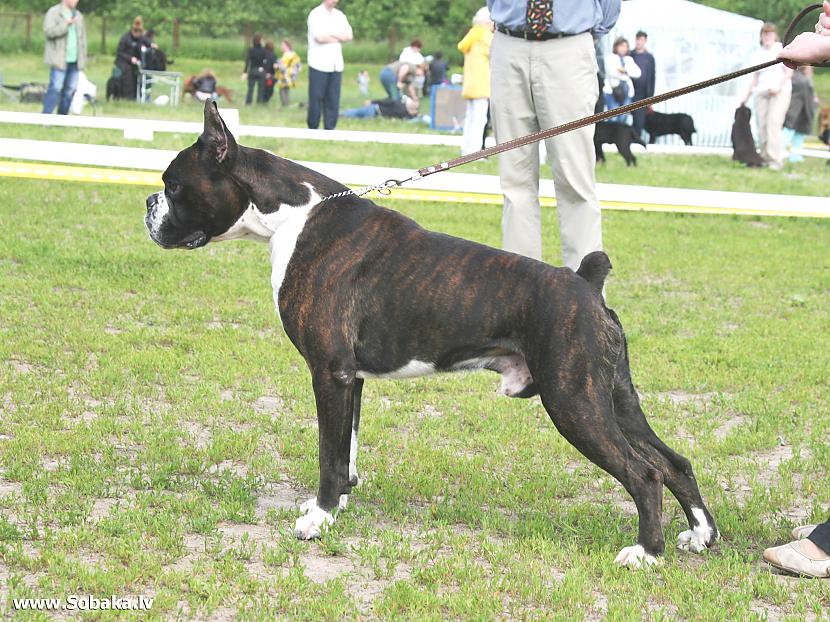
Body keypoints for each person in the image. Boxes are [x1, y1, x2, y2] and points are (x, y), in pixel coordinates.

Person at [488, 0, 621, 269]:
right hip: (508, 43)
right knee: (514, 183)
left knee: (575, 181)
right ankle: (520, 295)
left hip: (569, 46)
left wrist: (585, 36)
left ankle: (586, 299)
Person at [741, 23, 794, 171]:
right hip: (761, 91)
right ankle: (763, 157)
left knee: (773, 123)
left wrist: (778, 85)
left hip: (780, 91)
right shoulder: (758, 53)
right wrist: (745, 96)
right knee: (761, 125)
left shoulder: (780, 49)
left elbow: (789, 72)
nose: (767, 36)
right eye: (765, 34)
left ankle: (775, 160)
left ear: (774, 35)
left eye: (770, 34)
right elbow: (755, 78)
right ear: (761, 36)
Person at [306, 0, 353, 130]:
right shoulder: (315, 14)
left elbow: (349, 35)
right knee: (316, 98)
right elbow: (319, 38)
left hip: (336, 64)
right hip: (318, 63)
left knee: (333, 98)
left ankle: (330, 127)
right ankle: (313, 127)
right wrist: (338, 36)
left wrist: (331, 35)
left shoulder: (339, 15)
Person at [458, 7, 494, 156]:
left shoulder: (471, 35)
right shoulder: (485, 36)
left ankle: (465, 149)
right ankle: (474, 152)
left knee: (470, 119)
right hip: (482, 85)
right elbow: (497, 52)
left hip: (470, 85)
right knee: (479, 121)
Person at [42, 0, 86, 115]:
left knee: (70, 91)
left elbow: (82, 39)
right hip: (59, 59)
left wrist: (83, 58)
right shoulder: (54, 12)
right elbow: (49, 32)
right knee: (55, 89)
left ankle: (62, 119)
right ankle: (45, 117)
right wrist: (66, 24)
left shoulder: (79, 15)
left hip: (75, 60)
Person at [782, 66, 819, 163]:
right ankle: (782, 153)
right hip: (796, 112)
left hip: (799, 112)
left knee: (798, 134)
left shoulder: (799, 78)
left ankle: (795, 156)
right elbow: (808, 99)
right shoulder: (802, 80)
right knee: (788, 132)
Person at [603, 36, 641, 124]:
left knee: (623, 118)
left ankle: (620, 137)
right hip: (612, 92)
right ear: (616, 47)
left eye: (625, 46)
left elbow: (638, 73)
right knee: (613, 118)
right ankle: (611, 138)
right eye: (621, 46)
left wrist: (625, 71)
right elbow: (611, 72)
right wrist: (626, 74)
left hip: (627, 92)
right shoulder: (610, 57)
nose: (623, 48)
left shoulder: (629, 59)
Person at [630, 30, 656, 137]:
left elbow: (652, 77)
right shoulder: (630, 54)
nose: (639, 42)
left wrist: (650, 97)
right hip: (630, 90)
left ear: (645, 41)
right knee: (625, 116)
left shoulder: (649, 57)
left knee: (639, 118)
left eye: (641, 40)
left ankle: (637, 139)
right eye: (637, 39)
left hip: (643, 93)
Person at [114, 16, 145, 101]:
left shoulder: (140, 39)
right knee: (128, 74)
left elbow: (146, 42)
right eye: (136, 31)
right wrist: (130, 58)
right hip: (122, 62)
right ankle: (128, 97)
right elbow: (119, 52)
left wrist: (151, 44)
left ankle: (137, 95)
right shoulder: (125, 38)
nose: (137, 34)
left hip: (134, 64)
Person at [242, 34, 270, 105]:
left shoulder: (251, 50)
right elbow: (266, 62)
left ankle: (248, 102)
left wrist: (245, 72)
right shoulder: (264, 50)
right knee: (261, 88)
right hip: (261, 71)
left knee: (250, 88)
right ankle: (259, 101)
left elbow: (247, 61)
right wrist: (266, 70)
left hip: (252, 70)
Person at [341, 96, 420, 120]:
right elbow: (383, 101)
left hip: (375, 112)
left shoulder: (405, 114)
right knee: (354, 114)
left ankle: (341, 114)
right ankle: (340, 114)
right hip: (374, 109)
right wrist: (372, 102)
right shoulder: (399, 105)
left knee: (355, 115)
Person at [276, 39, 302, 107]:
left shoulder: (286, 55)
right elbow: (299, 66)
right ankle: (287, 103)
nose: (281, 47)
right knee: (286, 90)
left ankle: (285, 104)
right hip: (291, 75)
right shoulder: (294, 54)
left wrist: (277, 65)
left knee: (282, 90)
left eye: (282, 45)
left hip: (285, 75)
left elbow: (282, 66)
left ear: (286, 46)